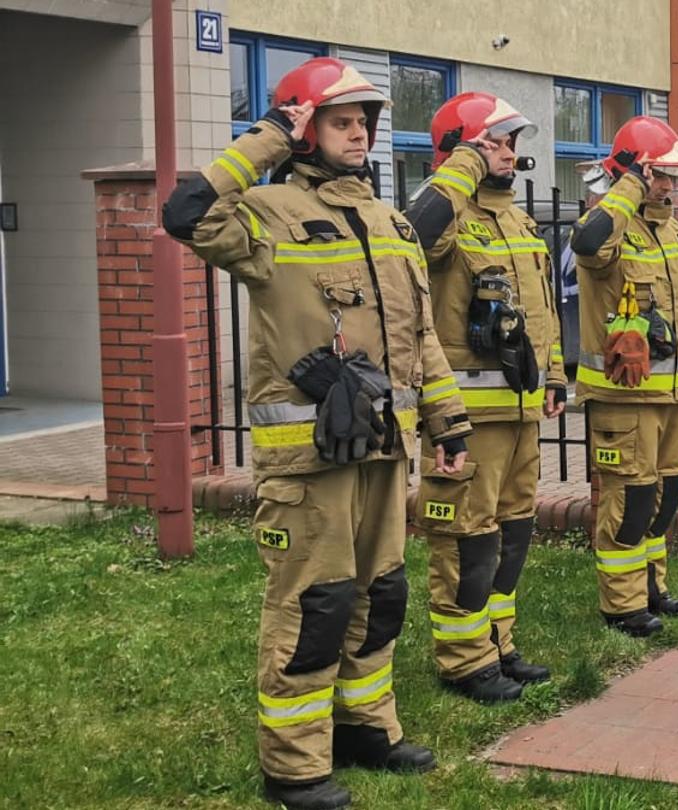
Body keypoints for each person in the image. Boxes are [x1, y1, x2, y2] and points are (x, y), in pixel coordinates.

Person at [162, 56, 470, 809]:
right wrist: (269, 136)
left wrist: (448, 424)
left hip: (383, 452)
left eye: (364, 119)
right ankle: (294, 765)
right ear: (304, 129)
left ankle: (367, 726)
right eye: (341, 119)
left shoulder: (389, 220)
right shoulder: (263, 213)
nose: (360, 131)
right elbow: (185, 214)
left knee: (381, 594)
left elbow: (420, 336)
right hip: (308, 463)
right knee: (315, 604)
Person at [403, 91, 564, 704]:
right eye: (494, 141)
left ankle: (500, 643)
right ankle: (464, 660)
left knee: (512, 532)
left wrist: (552, 377)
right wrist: (464, 167)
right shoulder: (445, 219)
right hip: (468, 418)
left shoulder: (518, 221)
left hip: (521, 412)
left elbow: (541, 314)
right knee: (465, 538)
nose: (508, 153)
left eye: (511, 143)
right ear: (461, 149)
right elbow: (412, 237)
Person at [570, 116, 678, 638]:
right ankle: (621, 605)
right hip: (624, 397)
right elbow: (588, 246)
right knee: (630, 501)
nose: (670, 186)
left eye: (673, 176)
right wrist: (628, 183)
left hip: (670, 395)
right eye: (661, 175)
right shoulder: (606, 224)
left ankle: (653, 588)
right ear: (639, 172)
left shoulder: (668, 227)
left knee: (665, 495)